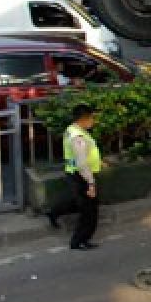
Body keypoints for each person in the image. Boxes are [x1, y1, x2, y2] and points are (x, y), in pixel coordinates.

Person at [46, 104, 103, 250]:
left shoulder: (72, 130)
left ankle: (54, 213)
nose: (93, 121)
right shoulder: (78, 137)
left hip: (75, 173)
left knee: (77, 202)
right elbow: (82, 163)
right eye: (91, 118)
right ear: (83, 119)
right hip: (82, 175)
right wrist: (91, 183)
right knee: (89, 211)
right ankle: (79, 240)